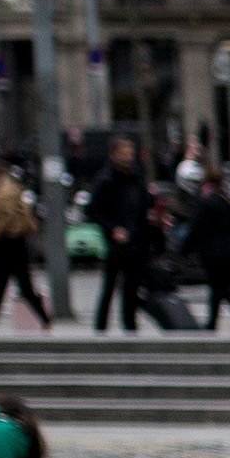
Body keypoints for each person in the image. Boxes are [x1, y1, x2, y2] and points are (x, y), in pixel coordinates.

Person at [86, 135, 153, 334]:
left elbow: (143, 207)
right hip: (117, 244)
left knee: (131, 290)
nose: (128, 157)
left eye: (130, 153)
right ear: (113, 155)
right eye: (124, 153)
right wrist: (112, 228)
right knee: (109, 287)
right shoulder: (106, 180)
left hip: (136, 242)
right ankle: (101, 329)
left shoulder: (136, 179)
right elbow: (92, 210)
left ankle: (130, 328)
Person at [177, 162, 230, 330]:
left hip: (212, 254)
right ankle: (214, 322)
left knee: (220, 287)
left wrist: (183, 250)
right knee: (219, 287)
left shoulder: (206, 203)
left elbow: (195, 228)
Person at [0, 160, 51, 334]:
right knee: (25, 287)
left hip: (5, 245)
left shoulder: (1, 195)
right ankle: (44, 318)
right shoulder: (15, 189)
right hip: (19, 245)